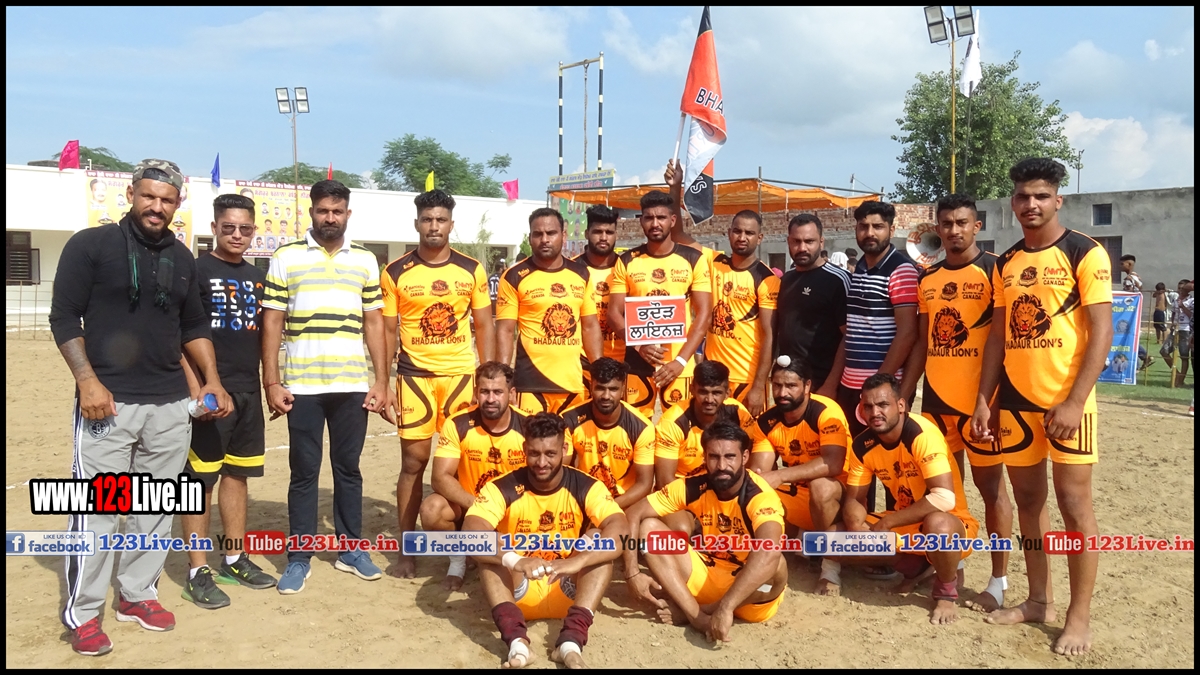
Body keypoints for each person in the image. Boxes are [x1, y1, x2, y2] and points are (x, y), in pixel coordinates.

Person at [49, 159, 233, 656]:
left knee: (153, 509)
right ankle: (85, 613)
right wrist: (87, 382)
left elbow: (193, 325)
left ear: (178, 204)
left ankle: (136, 595)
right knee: (99, 511)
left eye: (166, 199)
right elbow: (64, 317)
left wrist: (211, 380)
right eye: (148, 196)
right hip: (107, 403)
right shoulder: (91, 245)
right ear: (131, 194)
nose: (156, 206)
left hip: (170, 405)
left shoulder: (182, 257)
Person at [971, 157, 1112, 655]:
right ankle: (1037, 600)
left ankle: (1078, 616)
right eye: (1023, 196)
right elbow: (996, 338)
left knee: (1074, 507)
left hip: (1068, 405)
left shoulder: (1084, 252)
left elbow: (1102, 332)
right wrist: (985, 400)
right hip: (1015, 403)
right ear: (1013, 202)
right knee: (1029, 504)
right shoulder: (1006, 262)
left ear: (1058, 200)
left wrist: (1075, 401)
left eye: (1041, 196)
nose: (1031, 204)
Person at [262, 180, 391, 594]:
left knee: (348, 469)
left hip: (351, 384)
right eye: (323, 210)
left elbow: (374, 322)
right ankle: (299, 557)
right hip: (302, 385)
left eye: (337, 211)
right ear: (312, 212)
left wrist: (382, 380)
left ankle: (350, 550)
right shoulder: (286, 257)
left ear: (348, 214)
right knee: (304, 472)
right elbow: (272, 321)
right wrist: (271, 380)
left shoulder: (365, 260)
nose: (330, 218)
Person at [899, 193, 1012, 611]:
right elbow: (922, 344)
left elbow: (1003, 342)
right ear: (937, 228)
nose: (953, 230)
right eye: (946, 223)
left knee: (992, 490)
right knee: (946, 494)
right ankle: (953, 567)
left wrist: (990, 401)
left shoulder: (995, 270)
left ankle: (998, 580)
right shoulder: (928, 278)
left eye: (962, 222)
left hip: (981, 405)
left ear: (976, 226)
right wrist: (906, 393)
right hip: (936, 404)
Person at [380, 189, 494, 580]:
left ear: (451, 224)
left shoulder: (471, 269)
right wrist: (383, 382)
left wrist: (488, 375)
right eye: (427, 219)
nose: (434, 226)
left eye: (441, 219)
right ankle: (407, 548)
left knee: (464, 462)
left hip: (461, 378)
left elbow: (484, 325)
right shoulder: (395, 271)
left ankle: (466, 544)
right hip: (414, 378)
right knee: (413, 462)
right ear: (417, 223)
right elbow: (388, 330)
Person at [463, 413, 630, 669]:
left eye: (550, 454)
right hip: (518, 588)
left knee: (599, 544)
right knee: (491, 551)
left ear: (564, 449)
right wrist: (516, 560)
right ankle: (518, 643)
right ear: (524, 449)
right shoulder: (502, 487)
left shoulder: (586, 485)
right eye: (534, 454)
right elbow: (470, 533)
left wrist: (579, 561)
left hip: (567, 587)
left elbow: (621, 530)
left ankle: (570, 644)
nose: (542, 462)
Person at [180, 194, 277, 611]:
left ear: (254, 231)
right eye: (229, 227)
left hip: (247, 391)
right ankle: (197, 570)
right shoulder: (195, 270)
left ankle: (234, 558)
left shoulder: (258, 276)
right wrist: (198, 390)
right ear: (214, 228)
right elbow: (181, 335)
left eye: (245, 228)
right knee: (198, 482)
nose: (237, 235)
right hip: (210, 392)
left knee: (238, 476)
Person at [826, 374, 979, 624]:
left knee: (938, 525)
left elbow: (944, 498)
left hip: (951, 523)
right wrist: (854, 524)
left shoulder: (921, 434)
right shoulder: (862, 444)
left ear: (900, 405)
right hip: (905, 523)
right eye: (868, 406)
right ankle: (916, 567)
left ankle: (946, 590)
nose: (875, 412)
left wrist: (888, 522)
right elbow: (855, 498)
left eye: (882, 405)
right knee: (830, 541)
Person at [624, 422, 788, 639]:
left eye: (730, 457)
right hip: (706, 576)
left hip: (750, 596)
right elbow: (633, 513)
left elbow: (769, 551)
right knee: (650, 529)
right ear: (704, 457)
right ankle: (697, 617)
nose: (722, 465)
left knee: (776, 563)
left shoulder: (759, 496)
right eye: (714, 457)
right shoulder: (694, 486)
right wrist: (632, 573)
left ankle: (701, 610)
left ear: (745, 457)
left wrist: (726, 607)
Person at [422, 362, 528, 591]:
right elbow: (440, 477)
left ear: (511, 394)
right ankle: (458, 559)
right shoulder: (457, 423)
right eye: (484, 391)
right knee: (431, 510)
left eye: (498, 392)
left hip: (515, 513)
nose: (490, 399)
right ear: (475, 392)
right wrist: (480, 508)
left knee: (515, 583)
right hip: (471, 508)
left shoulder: (529, 426)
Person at [607, 191, 713, 417]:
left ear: (672, 220)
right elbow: (614, 314)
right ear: (641, 221)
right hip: (637, 362)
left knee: (678, 428)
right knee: (635, 427)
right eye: (649, 218)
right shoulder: (627, 260)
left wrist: (681, 361)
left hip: (678, 363)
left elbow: (704, 315)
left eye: (661, 217)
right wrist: (639, 346)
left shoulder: (693, 259)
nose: (655, 224)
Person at [747, 356, 850, 581]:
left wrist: (780, 475)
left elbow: (833, 463)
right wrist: (763, 479)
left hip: (841, 499)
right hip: (800, 495)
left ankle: (830, 568)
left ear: (807, 386)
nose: (782, 393)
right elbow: (759, 472)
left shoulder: (826, 411)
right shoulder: (766, 422)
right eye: (777, 385)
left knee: (821, 487)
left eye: (791, 386)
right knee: (754, 490)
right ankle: (804, 539)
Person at [497, 208, 603, 415]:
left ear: (563, 235)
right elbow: (505, 331)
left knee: (572, 437)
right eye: (538, 234)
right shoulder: (514, 276)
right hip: (530, 385)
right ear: (530, 238)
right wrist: (503, 381)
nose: (544, 239)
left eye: (551, 233)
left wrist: (600, 373)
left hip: (573, 384)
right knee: (530, 437)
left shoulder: (581, 273)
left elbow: (590, 327)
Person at [703, 210, 779, 417]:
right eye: (737, 231)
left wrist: (758, 387)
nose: (742, 237)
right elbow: (680, 237)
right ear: (729, 233)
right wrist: (676, 193)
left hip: (746, 378)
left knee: (748, 434)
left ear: (759, 238)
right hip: (714, 378)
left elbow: (770, 336)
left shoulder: (766, 279)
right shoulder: (714, 262)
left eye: (749, 233)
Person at [656, 360, 772, 486]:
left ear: (727, 393)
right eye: (703, 392)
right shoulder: (672, 422)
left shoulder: (738, 413)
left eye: (716, 393)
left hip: (725, 485)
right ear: (692, 389)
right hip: (684, 489)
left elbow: (752, 457)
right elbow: (664, 482)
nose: (709, 400)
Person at [561, 357, 656, 509]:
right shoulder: (568, 420)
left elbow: (644, 484)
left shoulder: (642, 427)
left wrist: (607, 509)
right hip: (582, 499)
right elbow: (560, 470)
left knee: (645, 523)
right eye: (600, 388)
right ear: (591, 386)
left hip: (623, 502)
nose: (606, 396)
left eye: (613, 389)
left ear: (623, 388)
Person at [775, 214, 851, 399]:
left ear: (821, 242)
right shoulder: (786, 280)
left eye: (809, 241)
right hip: (790, 384)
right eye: (796, 241)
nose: (802, 248)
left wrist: (831, 385)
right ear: (788, 242)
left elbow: (849, 336)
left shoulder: (838, 280)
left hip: (823, 383)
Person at [574, 205, 625, 380]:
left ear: (616, 235)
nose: (603, 237)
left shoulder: (628, 269)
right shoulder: (572, 270)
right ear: (587, 233)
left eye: (609, 232)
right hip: (581, 363)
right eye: (597, 232)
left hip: (623, 361)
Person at [1162, 279, 1193, 386]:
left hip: (1186, 329)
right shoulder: (1176, 300)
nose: (1180, 290)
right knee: (1164, 351)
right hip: (1175, 329)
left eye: (1182, 288)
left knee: (1184, 356)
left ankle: (1181, 380)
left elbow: (1192, 316)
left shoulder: (1191, 300)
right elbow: (1174, 313)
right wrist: (1172, 323)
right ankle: (1177, 373)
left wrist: (1183, 306)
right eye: (1179, 288)